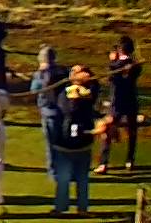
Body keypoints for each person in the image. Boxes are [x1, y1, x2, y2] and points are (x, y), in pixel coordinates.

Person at [52, 65, 102, 216]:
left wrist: (85, 74)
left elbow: (95, 85)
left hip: (81, 144)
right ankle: (62, 208)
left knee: (81, 179)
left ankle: (82, 208)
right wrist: (75, 78)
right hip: (65, 144)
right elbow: (56, 80)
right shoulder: (63, 96)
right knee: (64, 179)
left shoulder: (88, 97)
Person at [96, 35, 141, 173]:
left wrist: (113, 61)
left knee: (107, 130)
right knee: (132, 131)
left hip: (117, 102)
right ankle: (130, 160)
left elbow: (111, 77)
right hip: (131, 101)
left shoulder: (115, 65)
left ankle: (104, 163)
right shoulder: (135, 65)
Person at [30, 45, 69, 180]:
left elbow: (34, 90)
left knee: (52, 144)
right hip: (64, 111)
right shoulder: (62, 71)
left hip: (49, 112)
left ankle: (54, 172)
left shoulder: (40, 75)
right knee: (62, 142)